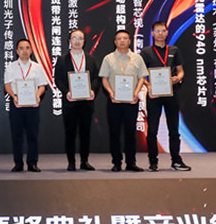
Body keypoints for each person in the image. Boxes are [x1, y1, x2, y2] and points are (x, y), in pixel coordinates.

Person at [139, 21, 191, 172]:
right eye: (157, 31)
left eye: (163, 31)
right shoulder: (146, 52)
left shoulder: (174, 50)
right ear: (152, 33)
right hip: (154, 95)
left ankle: (176, 161)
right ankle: (153, 161)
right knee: (152, 130)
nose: (160, 33)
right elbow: (141, 74)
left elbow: (180, 71)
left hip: (171, 93)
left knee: (174, 129)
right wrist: (148, 86)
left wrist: (177, 78)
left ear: (167, 33)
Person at [99, 29, 148, 172]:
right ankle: (116, 162)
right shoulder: (108, 58)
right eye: (119, 38)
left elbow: (142, 78)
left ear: (129, 41)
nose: (122, 41)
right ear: (115, 42)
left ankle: (131, 162)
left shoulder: (137, 58)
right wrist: (111, 93)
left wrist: (136, 92)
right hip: (114, 102)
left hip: (131, 101)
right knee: (114, 132)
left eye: (125, 38)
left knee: (130, 133)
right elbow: (104, 79)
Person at [54, 29, 100, 171]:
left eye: (80, 38)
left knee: (85, 132)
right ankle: (71, 161)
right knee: (70, 132)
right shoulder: (62, 59)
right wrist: (66, 92)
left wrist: (93, 90)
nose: (77, 41)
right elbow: (58, 79)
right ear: (69, 41)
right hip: (70, 102)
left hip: (87, 102)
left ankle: (84, 161)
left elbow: (96, 78)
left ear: (84, 41)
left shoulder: (91, 59)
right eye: (74, 38)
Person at [4, 38, 48, 172]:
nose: (24, 51)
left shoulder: (37, 67)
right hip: (16, 104)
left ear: (31, 50)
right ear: (17, 51)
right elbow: (7, 86)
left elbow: (42, 86)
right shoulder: (11, 67)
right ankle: (18, 163)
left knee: (32, 135)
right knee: (17, 135)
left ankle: (32, 162)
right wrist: (14, 97)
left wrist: (37, 95)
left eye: (27, 48)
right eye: (21, 48)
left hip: (32, 105)